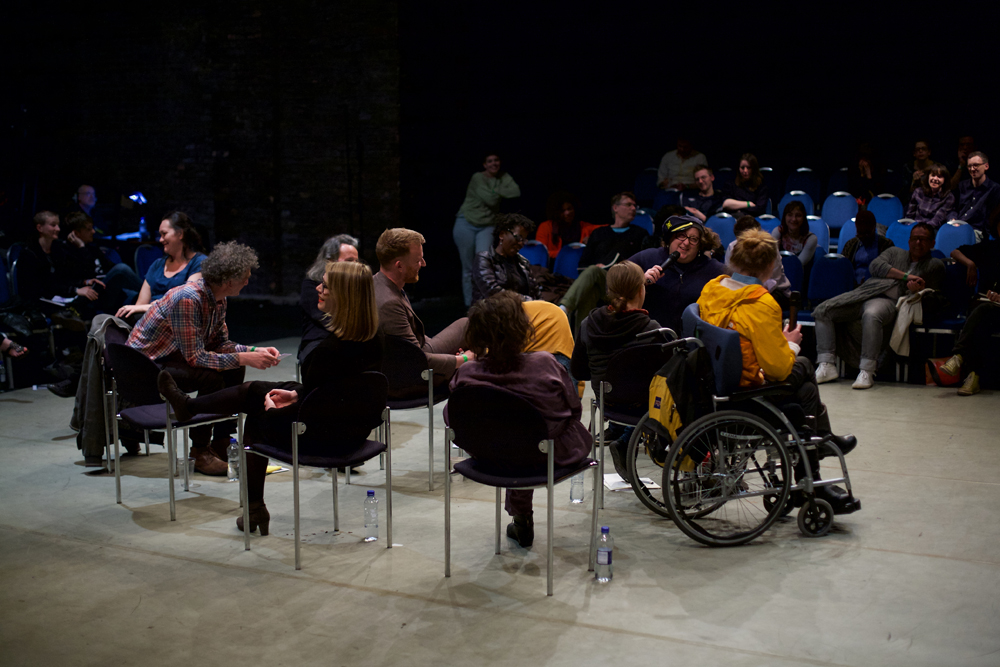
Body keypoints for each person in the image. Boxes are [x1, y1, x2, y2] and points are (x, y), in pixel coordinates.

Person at [156, 261, 382, 534]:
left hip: (324, 438)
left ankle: (253, 508)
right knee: (257, 389)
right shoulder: (374, 340)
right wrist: (297, 394)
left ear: (344, 296)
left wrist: (275, 410)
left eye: (325, 286)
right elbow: (330, 392)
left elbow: (317, 406)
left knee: (256, 414)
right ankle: (189, 408)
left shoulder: (329, 350)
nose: (318, 290)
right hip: (353, 431)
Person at [697, 229, 860, 514]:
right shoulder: (760, 304)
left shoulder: (713, 287)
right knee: (804, 369)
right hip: (746, 393)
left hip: (713, 384)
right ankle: (817, 457)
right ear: (770, 266)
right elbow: (777, 369)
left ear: (733, 259)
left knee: (806, 389)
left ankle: (817, 454)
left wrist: (779, 343)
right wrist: (791, 345)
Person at [446, 291, 591, 549]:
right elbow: (574, 408)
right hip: (544, 456)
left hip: (489, 456)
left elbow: (452, 418)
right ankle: (521, 515)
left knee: (515, 438)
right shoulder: (545, 364)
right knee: (532, 438)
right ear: (521, 328)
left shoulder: (467, 373)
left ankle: (521, 517)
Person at [127, 241, 281, 474]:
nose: (248, 282)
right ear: (228, 280)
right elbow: (195, 357)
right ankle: (199, 451)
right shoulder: (188, 299)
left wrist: (252, 351)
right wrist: (243, 358)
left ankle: (221, 440)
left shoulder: (218, 299)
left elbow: (220, 344)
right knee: (211, 378)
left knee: (234, 368)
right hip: (147, 366)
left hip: (173, 357)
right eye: (245, 277)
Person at [813, 223, 946, 390]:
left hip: (889, 301)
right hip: (864, 293)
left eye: (923, 239)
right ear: (909, 240)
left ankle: (867, 370)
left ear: (932, 243)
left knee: (871, 314)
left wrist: (914, 292)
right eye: (914, 239)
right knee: (822, 310)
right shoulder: (894, 252)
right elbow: (876, 266)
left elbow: (933, 296)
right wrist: (906, 276)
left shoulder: (934, 264)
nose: (918, 243)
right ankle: (826, 364)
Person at [570, 261, 661, 480]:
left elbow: (579, 371)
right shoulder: (651, 330)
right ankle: (630, 440)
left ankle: (624, 435)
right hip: (639, 407)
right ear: (642, 290)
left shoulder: (587, 323)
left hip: (606, 402)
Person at [373, 228, 474, 395]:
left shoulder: (376, 283)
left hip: (414, 355)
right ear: (399, 265)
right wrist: (462, 359)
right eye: (418, 260)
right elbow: (416, 361)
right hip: (408, 378)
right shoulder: (389, 304)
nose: (424, 264)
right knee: (470, 336)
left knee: (468, 325)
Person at [559, 192, 648, 331]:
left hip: (622, 284)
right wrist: (596, 268)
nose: (633, 208)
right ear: (615, 208)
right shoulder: (599, 233)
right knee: (591, 286)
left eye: (635, 206)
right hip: (601, 283)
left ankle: (564, 309)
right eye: (628, 204)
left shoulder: (640, 234)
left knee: (593, 276)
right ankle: (581, 342)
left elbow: (642, 264)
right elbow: (583, 265)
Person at [629, 215, 725, 335]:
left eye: (693, 239)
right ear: (670, 238)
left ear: (700, 246)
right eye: (681, 236)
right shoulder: (646, 258)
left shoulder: (715, 270)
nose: (686, 243)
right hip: (648, 337)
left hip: (693, 343)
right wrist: (639, 282)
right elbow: (615, 285)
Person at [938, 219, 1000, 396]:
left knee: (980, 313)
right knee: (981, 317)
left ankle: (959, 357)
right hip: (986, 304)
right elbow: (955, 252)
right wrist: (970, 264)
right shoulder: (989, 248)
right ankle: (973, 375)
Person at [453, 153, 521, 306]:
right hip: (466, 223)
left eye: (496, 160)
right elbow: (490, 200)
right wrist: (499, 190)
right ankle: (470, 306)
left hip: (486, 225)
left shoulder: (503, 176)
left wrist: (494, 191)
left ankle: (483, 304)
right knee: (468, 268)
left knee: (483, 264)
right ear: (484, 165)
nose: (493, 164)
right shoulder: (478, 177)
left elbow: (515, 192)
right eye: (490, 161)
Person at [115, 212, 207, 321]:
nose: (160, 239)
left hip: (178, 322)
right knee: (108, 320)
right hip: (149, 320)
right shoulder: (157, 265)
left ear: (180, 234)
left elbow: (185, 302)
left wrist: (152, 306)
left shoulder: (199, 262)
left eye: (164, 234)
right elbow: (139, 305)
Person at [17, 211, 106, 315]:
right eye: (53, 225)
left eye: (58, 225)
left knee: (95, 294)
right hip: (40, 302)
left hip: (60, 297)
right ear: (40, 228)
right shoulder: (29, 254)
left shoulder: (58, 250)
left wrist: (84, 282)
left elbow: (64, 278)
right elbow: (41, 286)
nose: (58, 229)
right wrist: (75, 290)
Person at [64, 211, 143, 314]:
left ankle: (156, 298)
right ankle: (158, 295)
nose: (93, 231)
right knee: (121, 269)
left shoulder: (92, 247)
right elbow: (87, 273)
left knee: (135, 296)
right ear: (76, 233)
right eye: (88, 229)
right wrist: (81, 248)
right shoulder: (68, 252)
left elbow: (108, 267)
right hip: (94, 295)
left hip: (108, 289)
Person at [298, 233, 360, 365]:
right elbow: (325, 319)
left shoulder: (357, 284)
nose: (355, 265)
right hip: (319, 340)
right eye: (349, 261)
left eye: (356, 261)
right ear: (330, 261)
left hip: (346, 339)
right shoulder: (313, 284)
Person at [724, 216, 791, 309]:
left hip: (775, 290)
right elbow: (730, 275)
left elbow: (773, 279)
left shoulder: (769, 246)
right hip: (742, 290)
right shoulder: (732, 247)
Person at [471, 213, 540, 303]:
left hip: (520, 313)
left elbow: (536, 293)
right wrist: (527, 301)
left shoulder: (523, 262)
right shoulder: (484, 258)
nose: (521, 243)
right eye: (518, 237)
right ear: (502, 234)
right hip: (490, 313)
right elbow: (493, 292)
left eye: (524, 240)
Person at [950, 152, 1000, 240]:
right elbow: (952, 208)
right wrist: (953, 219)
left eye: (976, 165)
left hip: (976, 231)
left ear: (986, 166)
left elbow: (991, 219)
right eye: (969, 166)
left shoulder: (994, 189)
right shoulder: (962, 185)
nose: (972, 169)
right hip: (957, 225)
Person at [534, 191, 600, 259]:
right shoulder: (545, 227)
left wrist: (593, 238)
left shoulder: (583, 226)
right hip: (553, 266)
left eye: (569, 209)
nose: (567, 213)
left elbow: (607, 228)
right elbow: (540, 252)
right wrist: (568, 253)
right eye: (563, 211)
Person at [842, 211, 895, 286]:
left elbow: (891, 272)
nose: (864, 238)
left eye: (867, 234)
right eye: (860, 235)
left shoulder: (886, 245)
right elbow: (844, 270)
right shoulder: (851, 245)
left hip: (877, 286)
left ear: (874, 228)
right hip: (853, 286)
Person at [772, 201, 818, 272]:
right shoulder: (777, 232)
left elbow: (798, 265)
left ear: (804, 218)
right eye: (790, 215)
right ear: (784, 217)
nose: (794, 219)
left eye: (798, 215)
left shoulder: (811, 239)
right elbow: (773, 260)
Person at [906, 164, 956, 229]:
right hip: (914, 227)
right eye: (933, 175)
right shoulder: (918, 192)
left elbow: (938, 219)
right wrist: (909, 226)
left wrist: (923, 229)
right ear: (928, 177)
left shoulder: (949, 197)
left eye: (939, 176)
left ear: (944, 180)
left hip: (932, 230)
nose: (935, 179)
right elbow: (909, 215)